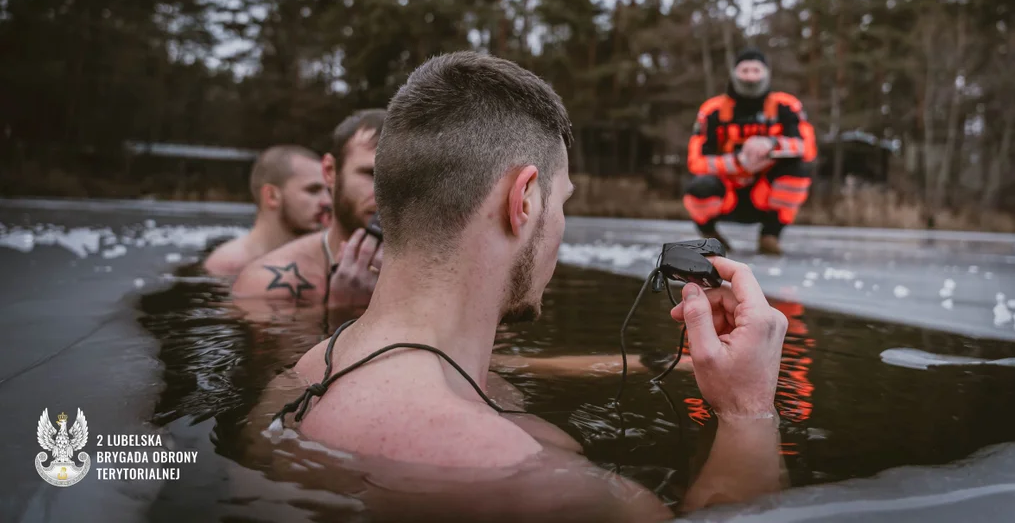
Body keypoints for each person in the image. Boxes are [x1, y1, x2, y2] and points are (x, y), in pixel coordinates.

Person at [263, 52, 789, 520]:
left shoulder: (306, 373)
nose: (560, 224)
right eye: (561, 202)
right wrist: (748, 410)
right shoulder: (528, 481)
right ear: (525, 201)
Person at [230, 110, 386, 307]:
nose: (389, 192)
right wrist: (344, 311)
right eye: (372, 174)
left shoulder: (433, 273)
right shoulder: (268, 285)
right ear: (330, 171)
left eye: (404, 178)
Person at [683, 48, 817, 256]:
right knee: (698, 186)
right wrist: (739, 162)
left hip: (763, 194)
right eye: (745, 70)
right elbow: (695, 161)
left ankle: (770, 235)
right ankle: (710, 237)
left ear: (766, 74)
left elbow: (808, 148)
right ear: (735, 73)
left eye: (756, 70)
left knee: (799, 170)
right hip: (727, 195)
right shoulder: (712, 110)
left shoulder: (786, 106)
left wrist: (772, 144)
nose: (751, 76)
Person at [204, 145, 331, 277]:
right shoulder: (231, 265)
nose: (327, 201)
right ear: (272, 196)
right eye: (313, 190)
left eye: (328, 191)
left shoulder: (329, 259)